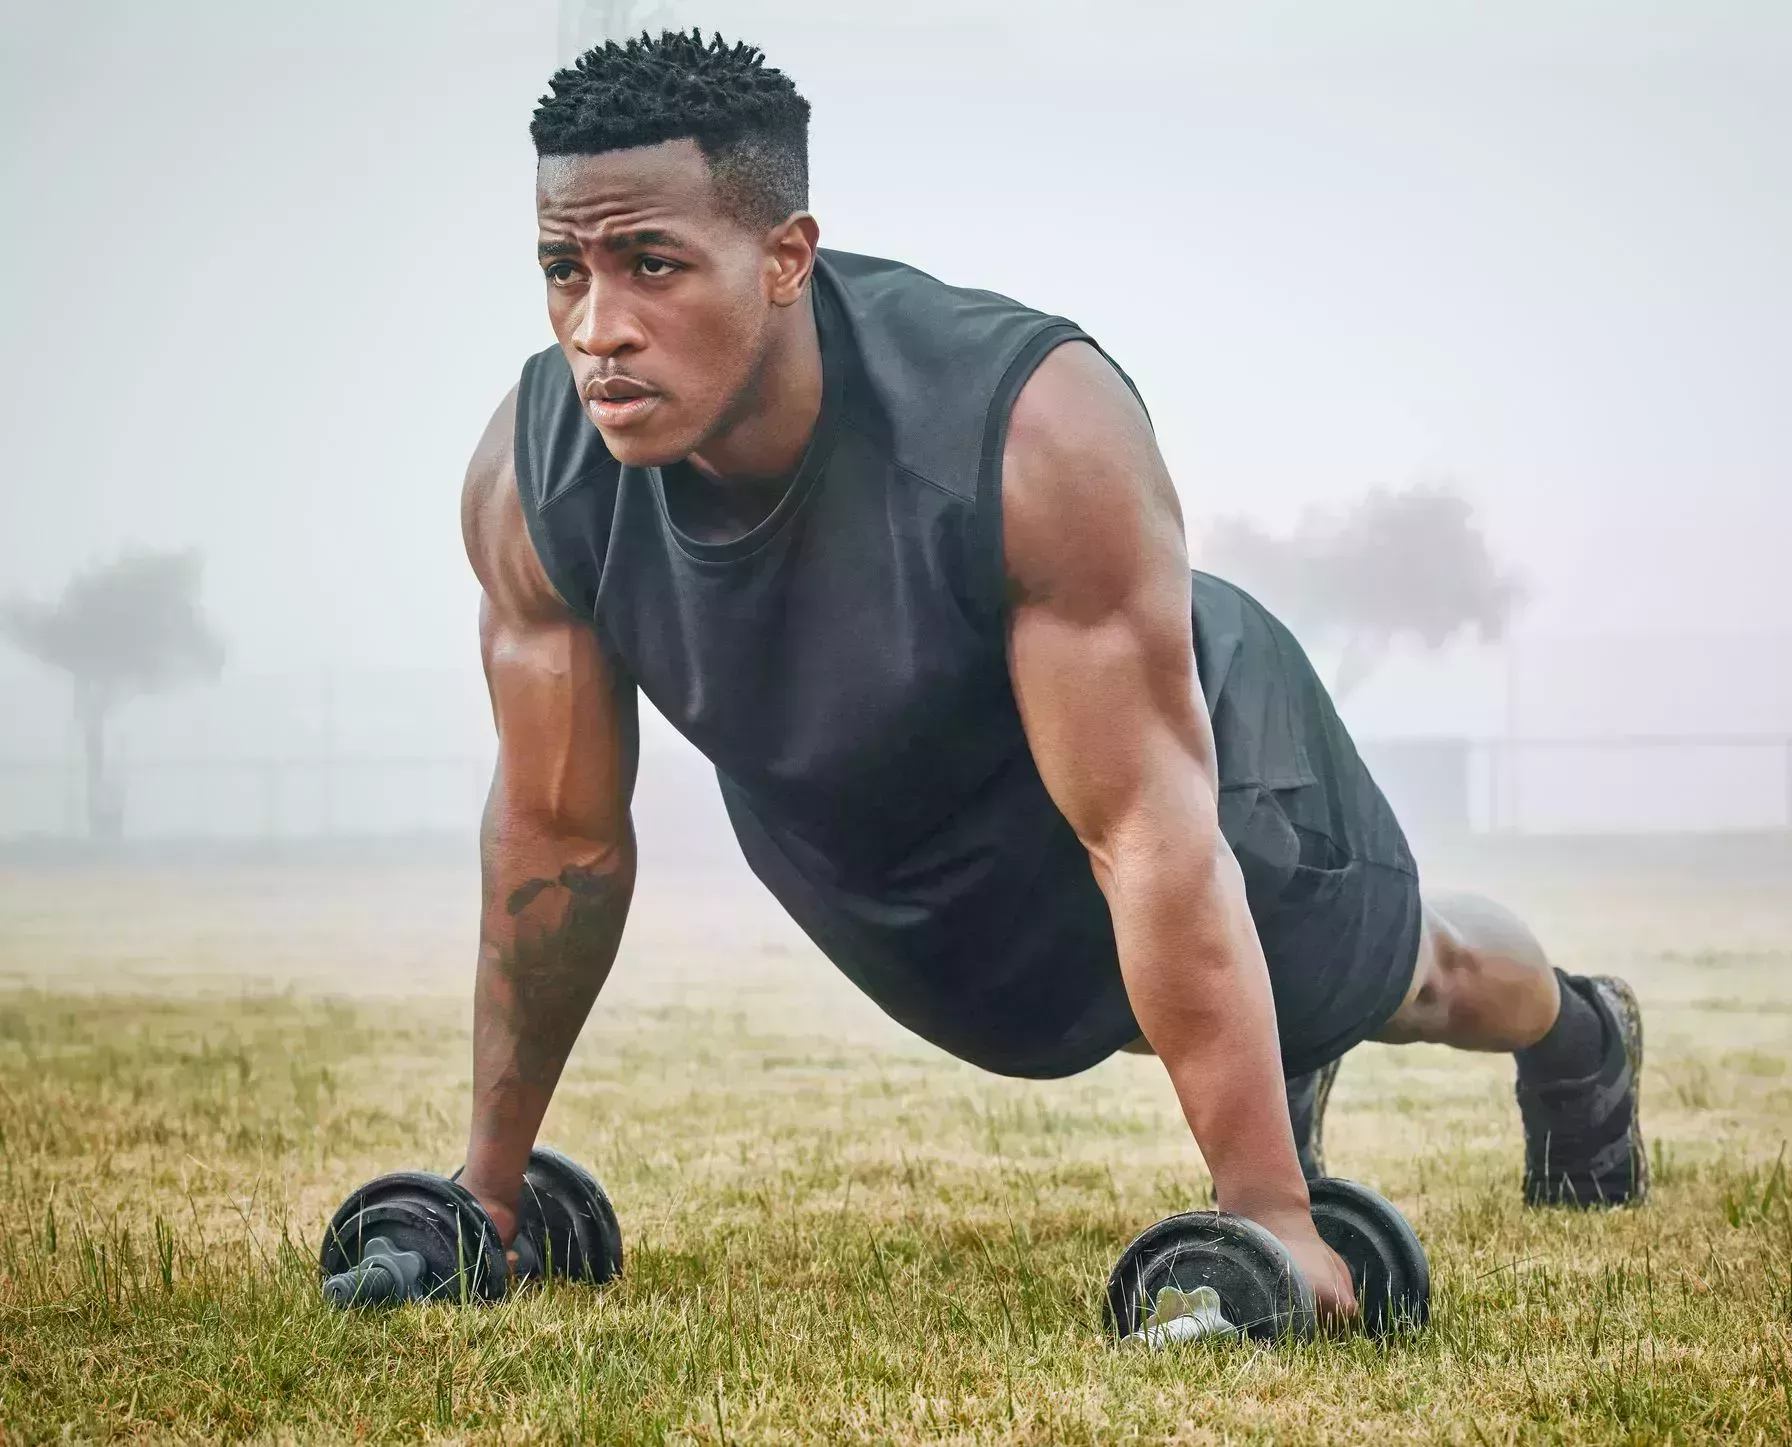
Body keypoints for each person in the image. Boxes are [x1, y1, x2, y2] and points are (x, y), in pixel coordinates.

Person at [457, 30, 1645, 1322]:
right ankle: (1271, 1063)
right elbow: (555, 841)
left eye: (651, 265)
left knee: (1420, 978)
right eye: (562, 269)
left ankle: (1579, 1034)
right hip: (909, 856)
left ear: (787, 257)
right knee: (1151, 998)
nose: (598, 327)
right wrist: (489, 1193)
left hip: (1192, 769)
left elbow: (1146, 834)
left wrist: (1269, 1215)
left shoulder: (1030, 429)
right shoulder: (537, 476)